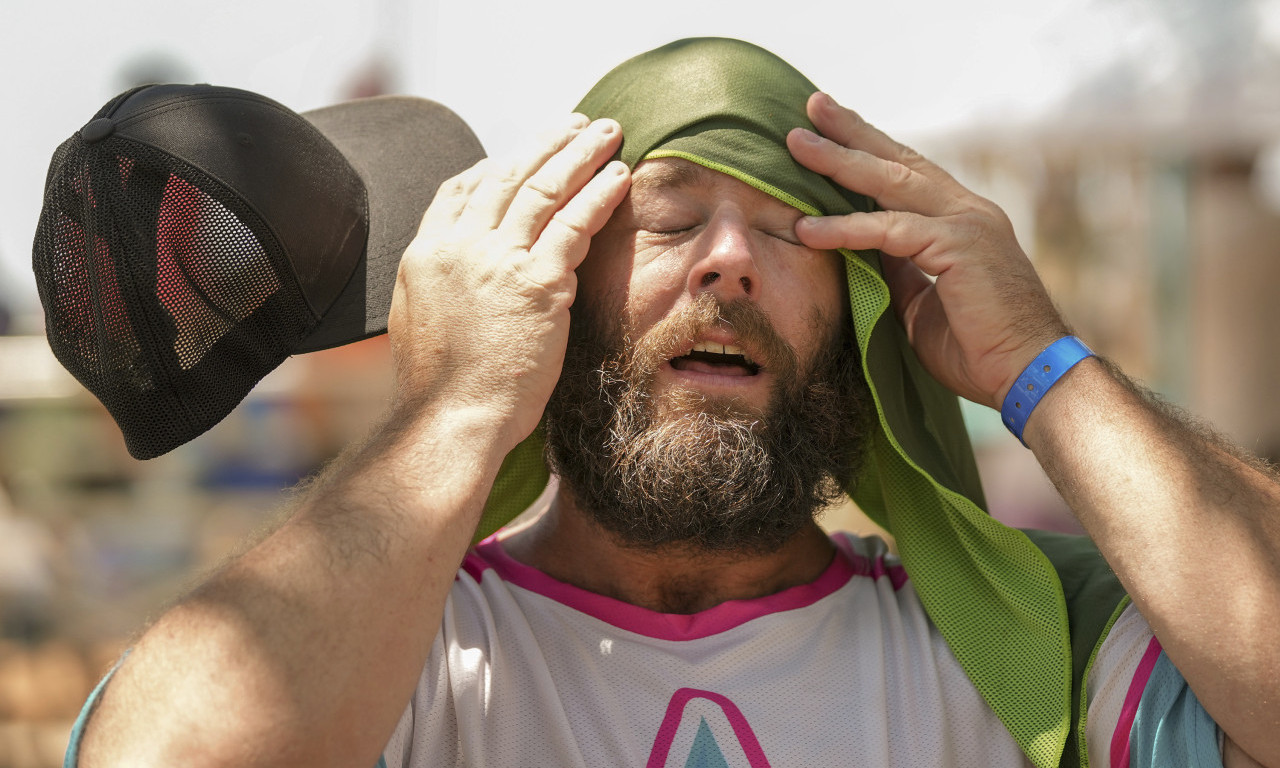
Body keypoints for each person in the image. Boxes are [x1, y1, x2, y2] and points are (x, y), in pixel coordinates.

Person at [65, 38, 1279, 768]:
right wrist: (452, 412)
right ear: (550, 289)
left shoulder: (1019, 644)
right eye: (665, 216)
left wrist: (1037, 361)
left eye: (791, 227)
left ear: (864, 312)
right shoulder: (392, 657)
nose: (728, 260)